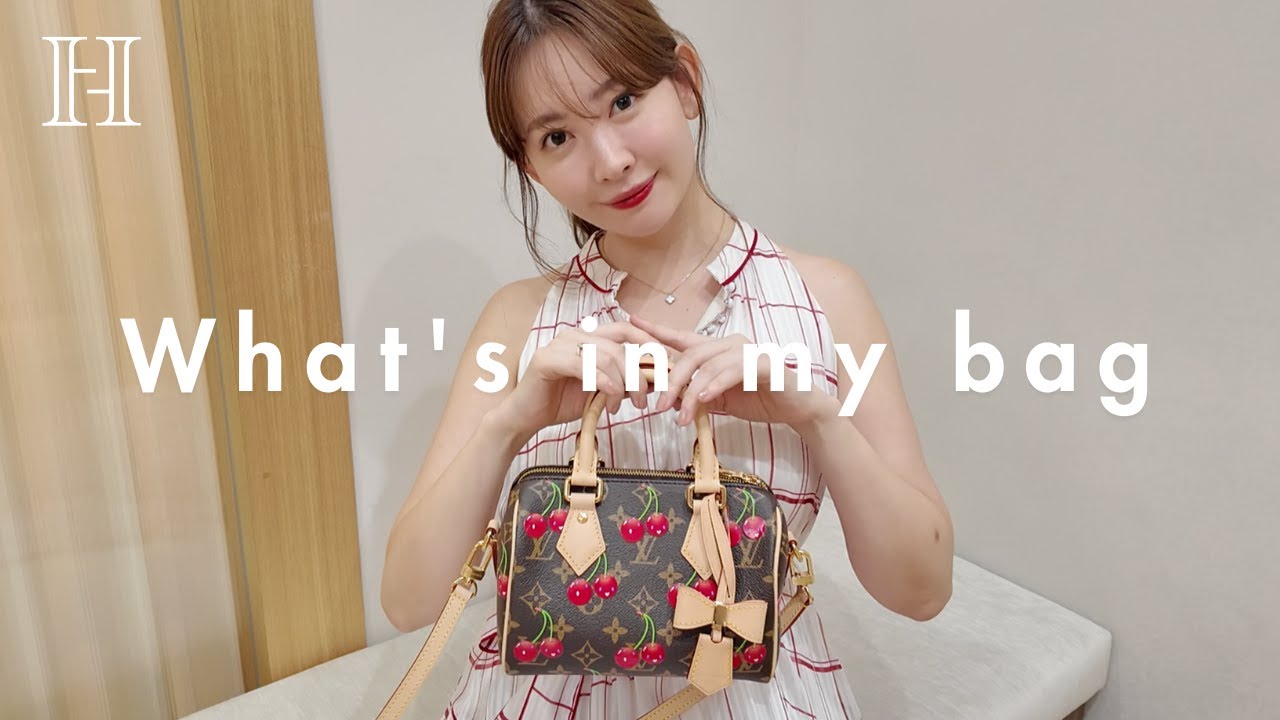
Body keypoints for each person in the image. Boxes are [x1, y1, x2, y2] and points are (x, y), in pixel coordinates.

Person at [381, 1, 955, 717]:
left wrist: (817, 414)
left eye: (623, 101)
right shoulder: (516, 320)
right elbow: (409, 601)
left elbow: (922, 589)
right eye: (558, 137)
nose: (611, 161)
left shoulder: (826, 299)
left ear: (684, 80)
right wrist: (510, 422)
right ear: (530, 165)